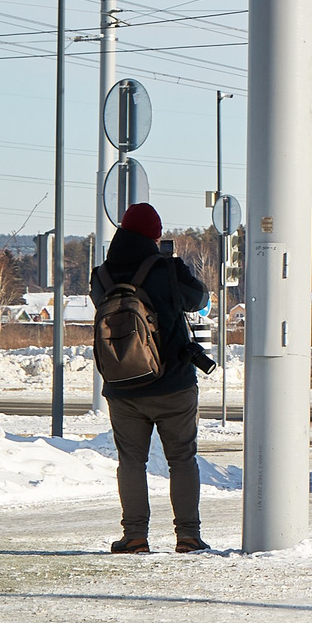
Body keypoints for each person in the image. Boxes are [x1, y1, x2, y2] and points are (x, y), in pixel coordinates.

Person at [93, 202, 214, 554]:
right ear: (154, 235)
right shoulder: (167, 268)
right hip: (173, 383)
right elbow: (199, 300)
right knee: (182, 459)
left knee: (131, 461)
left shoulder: (101, 275)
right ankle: (188, 536)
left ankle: (134, 536)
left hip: (122, 385)